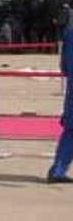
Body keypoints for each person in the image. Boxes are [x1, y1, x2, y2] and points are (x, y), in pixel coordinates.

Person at [46, 15, 73, 184]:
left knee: (71, 131)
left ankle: (58, 170)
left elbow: (63, 68)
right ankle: (57, 170)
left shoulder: (69, 36)